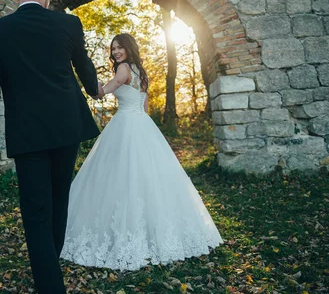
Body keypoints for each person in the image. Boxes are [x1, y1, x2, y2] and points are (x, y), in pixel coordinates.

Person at [0, 0, 103, 294]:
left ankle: (50, 287)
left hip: (28, 134)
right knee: (59, 201)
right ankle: (51, 269)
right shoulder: (68, 23)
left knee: (36, 213)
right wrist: (97, 91)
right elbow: (85, 67)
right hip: (67, 127)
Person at [60, 33, 223, 271]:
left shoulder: (124, 69)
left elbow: (105, 90)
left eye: (119, 47)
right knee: (146, 176)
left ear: (128, 49)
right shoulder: (141, 72)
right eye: (113, 48)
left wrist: (84, 81)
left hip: (126, 123)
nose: (116, 52)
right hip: (142, 125)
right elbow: (144, 105)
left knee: (118, 175)